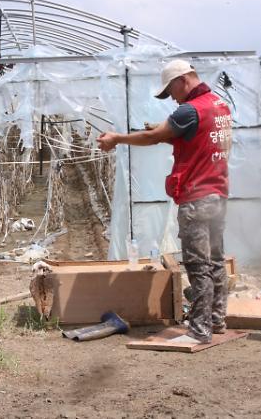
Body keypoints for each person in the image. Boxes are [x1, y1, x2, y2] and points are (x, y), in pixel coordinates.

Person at [96, 59, 232, 343]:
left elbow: (152, 137)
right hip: (217, 195)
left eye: (171, 90)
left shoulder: (188, 110)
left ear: (182, 80)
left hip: (195, 198)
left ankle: (199, 330)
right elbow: (198, 140)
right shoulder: (218, 105)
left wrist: (117, 139)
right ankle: (217, 321)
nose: (172, 97)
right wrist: (170, 134)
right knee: (217, 261)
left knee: (198, 266)